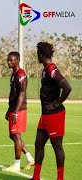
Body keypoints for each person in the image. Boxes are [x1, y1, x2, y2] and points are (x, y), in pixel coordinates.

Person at [31, 42, 71, 180]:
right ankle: (35, 177)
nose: (37, 56)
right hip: (45, 115)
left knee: (57, 146)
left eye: (37, 54)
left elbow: (67, 88)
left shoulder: (52, 69)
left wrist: (57, 103)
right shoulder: (45, 69)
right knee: (38, 143)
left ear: (41, 54)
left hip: (55, 115)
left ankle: (60, 178)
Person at [2, 51, 34, 172]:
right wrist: (9, 110)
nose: (9, 62)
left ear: (18, 60)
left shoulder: (21, 74)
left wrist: (15, 112)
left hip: (19, 109)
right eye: (8, 60)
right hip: (13, 108)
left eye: (12, 60)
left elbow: (22, 94)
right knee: (13, 135)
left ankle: (16, 164)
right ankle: (30, 158)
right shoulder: (13, 74)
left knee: (16, 136)